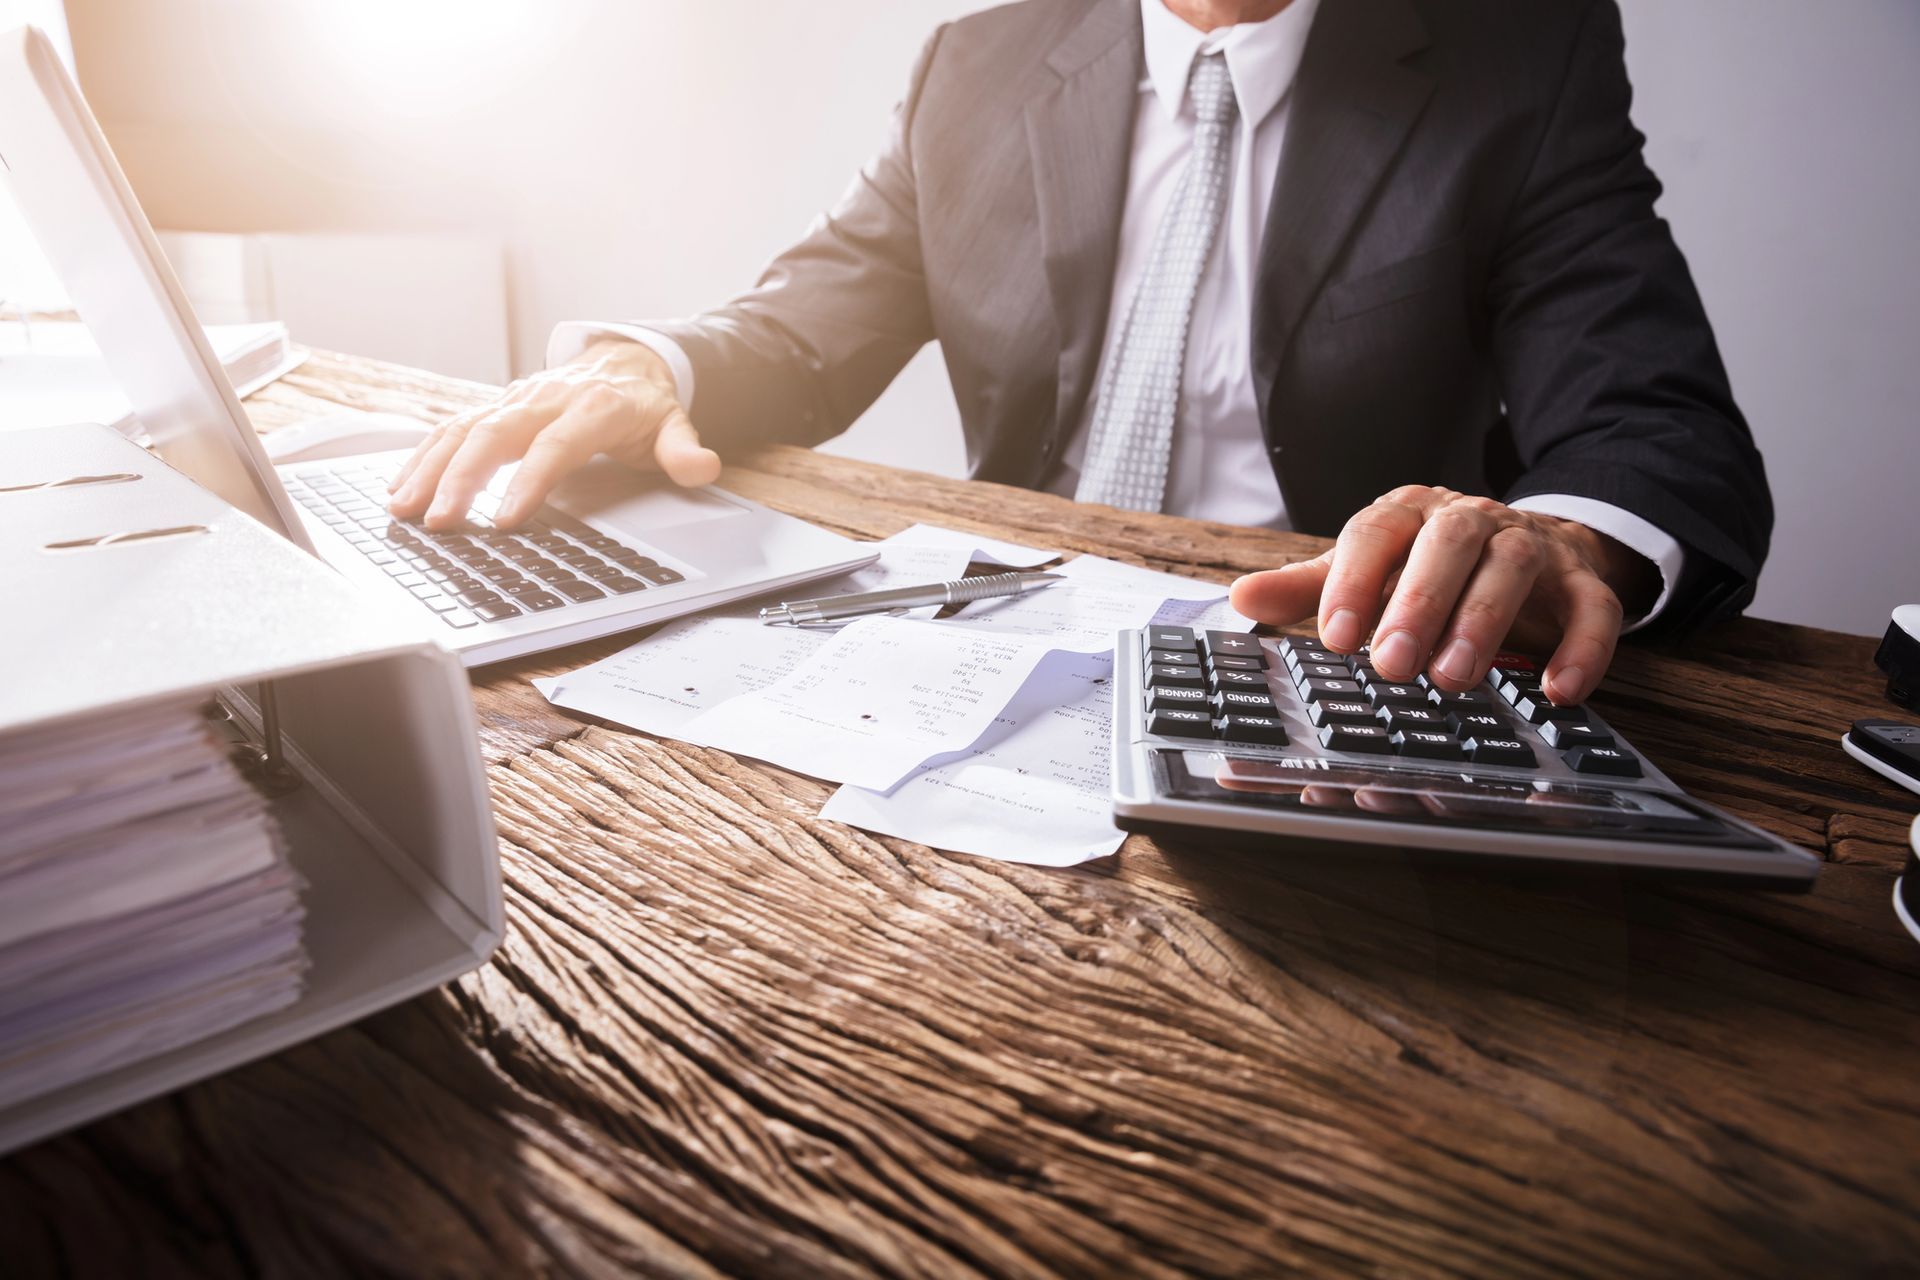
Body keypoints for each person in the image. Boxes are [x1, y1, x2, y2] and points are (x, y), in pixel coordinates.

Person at [388, 0, 1770, 705]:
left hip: (1333, 660)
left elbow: (1656, 433)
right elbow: (810, 318)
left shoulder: (1519, 64)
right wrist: (654, 368)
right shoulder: (981, 59)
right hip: (987, 629)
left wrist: (1559, 543)